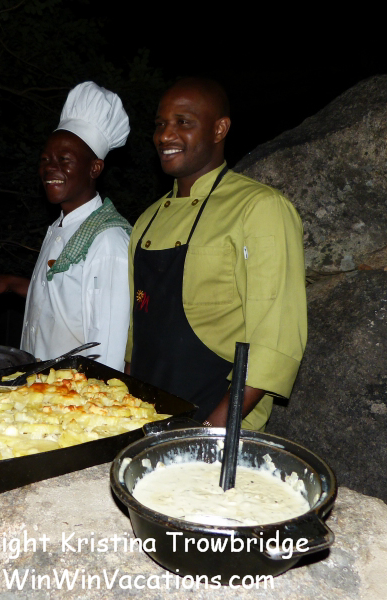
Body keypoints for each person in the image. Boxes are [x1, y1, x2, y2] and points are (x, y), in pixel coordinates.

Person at [124, 78, 307, 430]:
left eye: (183, 122)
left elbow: (275, 338)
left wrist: (210, 432)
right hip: (144, 418)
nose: (165, 135)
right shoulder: (147, 220)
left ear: (220, 129)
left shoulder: (259, 208)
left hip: (217, 423)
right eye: (160, 124)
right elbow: (138, 333)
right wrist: (125, 407)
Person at [0, 82, 132, 370]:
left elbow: (108, 351)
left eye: (64, 160)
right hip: (40, 385)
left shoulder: (107, 241)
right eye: (45, 159)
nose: (49, 167)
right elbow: (61, 299)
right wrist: (10, 283)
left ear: (94, 168)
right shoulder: (62, 225)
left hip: (73, 393)